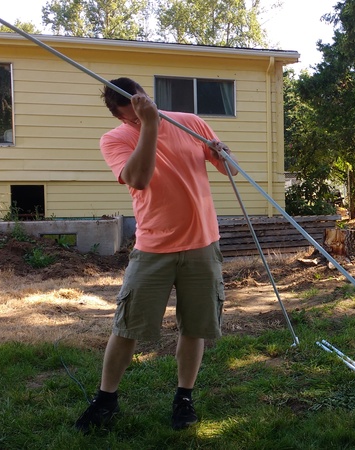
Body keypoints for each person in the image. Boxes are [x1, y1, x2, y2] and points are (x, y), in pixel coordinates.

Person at [74, 77, 237, 433]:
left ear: (145, 96)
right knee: (127, 326)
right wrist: (147, 125)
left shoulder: (190, 123)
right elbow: (140, 177)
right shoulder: (116, 138)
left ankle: (184, 399)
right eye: (128, 117)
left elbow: (232, 170)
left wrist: (224, 153)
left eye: (139, 110)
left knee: (195, 327)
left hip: (202, 244)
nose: (135, 119)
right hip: (153, 249)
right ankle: (106, 401)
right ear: (121, 118)